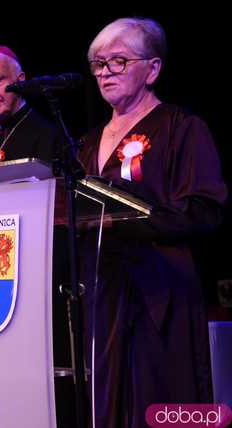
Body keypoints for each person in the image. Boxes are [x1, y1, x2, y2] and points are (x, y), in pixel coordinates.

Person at [78, 17, 228, 427]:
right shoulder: (88, 143)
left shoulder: (181, 128)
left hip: (161, 293)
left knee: (160, 399)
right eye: (98, 64)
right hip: (103, 293)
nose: (105, 72)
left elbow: (204, 208)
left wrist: (130, 222)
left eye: (119, 62)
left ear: (153, 69)